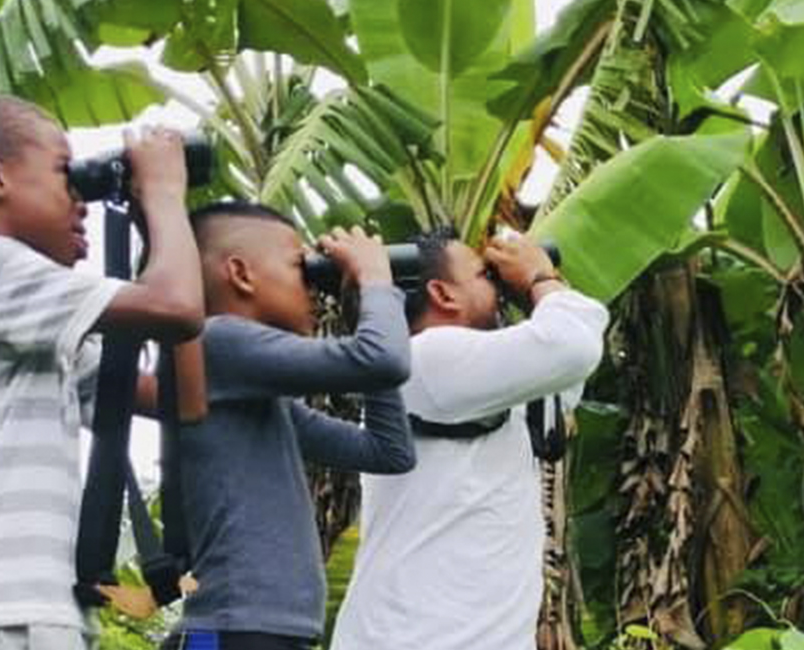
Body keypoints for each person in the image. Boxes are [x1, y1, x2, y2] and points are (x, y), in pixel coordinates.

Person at [0, 93, 205, 650]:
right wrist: (163, 194)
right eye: (68, 176)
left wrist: (160, 225)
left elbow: (182, 403)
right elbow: (178, 310)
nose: (82, 203)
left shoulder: (35, 335)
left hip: (18, 612)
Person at [330, 227, 609, 650]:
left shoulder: (468, 379)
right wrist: (536, 277)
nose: (498, 286)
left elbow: (567, 363)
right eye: (484, 276)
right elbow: (574, 346)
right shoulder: (428, 357)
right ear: (443, 294)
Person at [161, 203, 415, 650]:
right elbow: (384, 360)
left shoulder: (260, 403)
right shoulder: (217, 340)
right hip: (233, 632)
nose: (313, 289)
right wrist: (376, 280)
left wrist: (361, 312)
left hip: (256, 633)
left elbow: (387, 451)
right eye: (302, 269)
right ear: (240, 274)